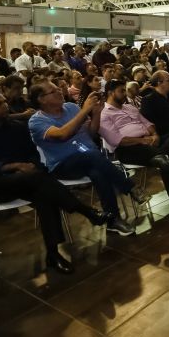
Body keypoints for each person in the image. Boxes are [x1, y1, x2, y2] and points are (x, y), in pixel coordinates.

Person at [0, 88, 109, 274]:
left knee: (43, 190)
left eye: (4, 101)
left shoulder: (16, 127)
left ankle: (53, 254)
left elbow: (33, 155)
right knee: (41, 182)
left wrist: (29, 165)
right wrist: (13, 167)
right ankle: (86, 211)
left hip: (28, 181)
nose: (5, 106)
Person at [28, 81, 147, 236]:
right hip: (63, 164)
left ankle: (113, 220)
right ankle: (130, 187)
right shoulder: (37, 121)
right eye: (54, 91)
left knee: (98, 172)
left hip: (91, 158)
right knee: (92, 156)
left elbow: (90, 134)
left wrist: (96, 113)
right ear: (41, 99)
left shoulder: (71, 107)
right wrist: (84, 110)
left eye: (58, 88)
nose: (59, 91)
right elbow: (63, 135)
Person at [99, 80, 169, 218]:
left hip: (150, 143)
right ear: (111, 93)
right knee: (165, 162)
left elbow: (147, 123)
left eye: (125, 90)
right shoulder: (104, 115)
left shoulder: (129, 108)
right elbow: (117, 140)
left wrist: (154, 135)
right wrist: (142, 140)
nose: (125, 94)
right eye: (121, 91)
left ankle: (163, 157)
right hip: (129, 149)